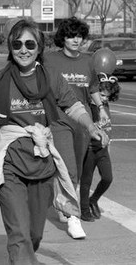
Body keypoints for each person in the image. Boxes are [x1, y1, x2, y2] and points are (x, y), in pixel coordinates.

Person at [0, 19, 109, 265]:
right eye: (17, 44)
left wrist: (90, 125)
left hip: (42, 164)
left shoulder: (50, 77)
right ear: (10, 46)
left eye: (30, 44)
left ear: (39, 48)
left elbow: (73, 105)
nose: (23, 49)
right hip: (9, 164)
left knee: (34, 235)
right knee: (18, 232)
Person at [43, 17, 109, 237]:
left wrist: (101, 109)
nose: (75, 40)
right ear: (63, 37)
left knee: (77, 170)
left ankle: (62, 199)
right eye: (71, 35)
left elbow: (92, 90)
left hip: (82, 121)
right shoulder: (49, 59)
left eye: (79, 36)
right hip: (59, 120)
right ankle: (73, 218)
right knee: (68, 166)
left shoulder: (89, 61)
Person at [80, 73, 120, 221]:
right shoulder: (87, 109)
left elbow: (108, 128)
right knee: (86, 181)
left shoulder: (105, 107)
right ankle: (84, 210)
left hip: (102, 149)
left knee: (108, 178)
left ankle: (93, 199)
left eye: (107, 97)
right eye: (102, 95)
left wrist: (108, 145)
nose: (104, 99)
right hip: (89, 148)